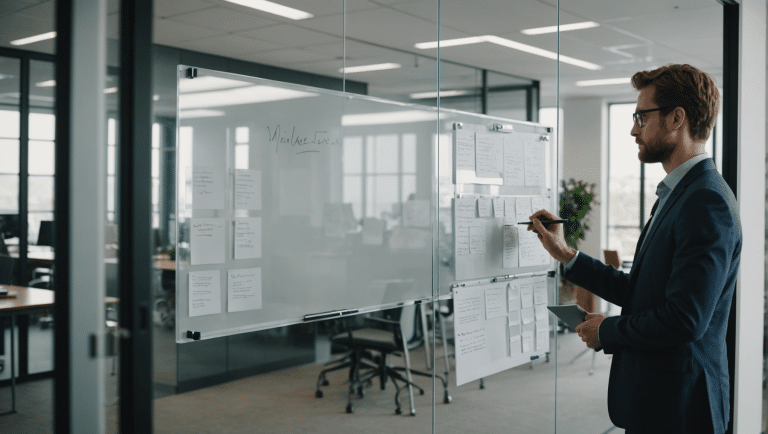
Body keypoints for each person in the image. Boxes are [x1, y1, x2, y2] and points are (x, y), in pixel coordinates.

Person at [528, 64, 741, 434]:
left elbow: (685, 319)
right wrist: (566, 254)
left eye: (642, 116)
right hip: (659, 400)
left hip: (681, 407)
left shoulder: (706, 201)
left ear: (677, 118)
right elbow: (639, 291)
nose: (633, 129)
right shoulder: (678, 195)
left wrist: (608, 331)